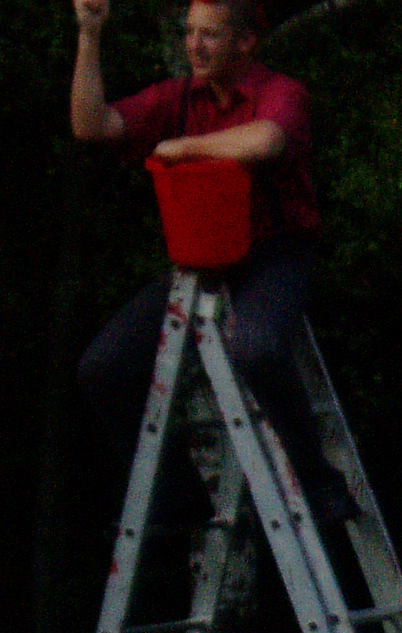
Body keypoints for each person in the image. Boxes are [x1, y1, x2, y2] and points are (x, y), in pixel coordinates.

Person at [71, 0, 357, 524]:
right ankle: (176, 497)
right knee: (103, 368)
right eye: (190, 33)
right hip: (202, 259)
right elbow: (93, 125)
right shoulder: (181, 96)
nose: (194, 46)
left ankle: (317, 482)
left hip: (274, 254)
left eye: (210, 35)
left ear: (245, 41)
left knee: (256, 347)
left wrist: (184, 148)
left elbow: (266, 140)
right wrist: (89, 34)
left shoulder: (280, 91)